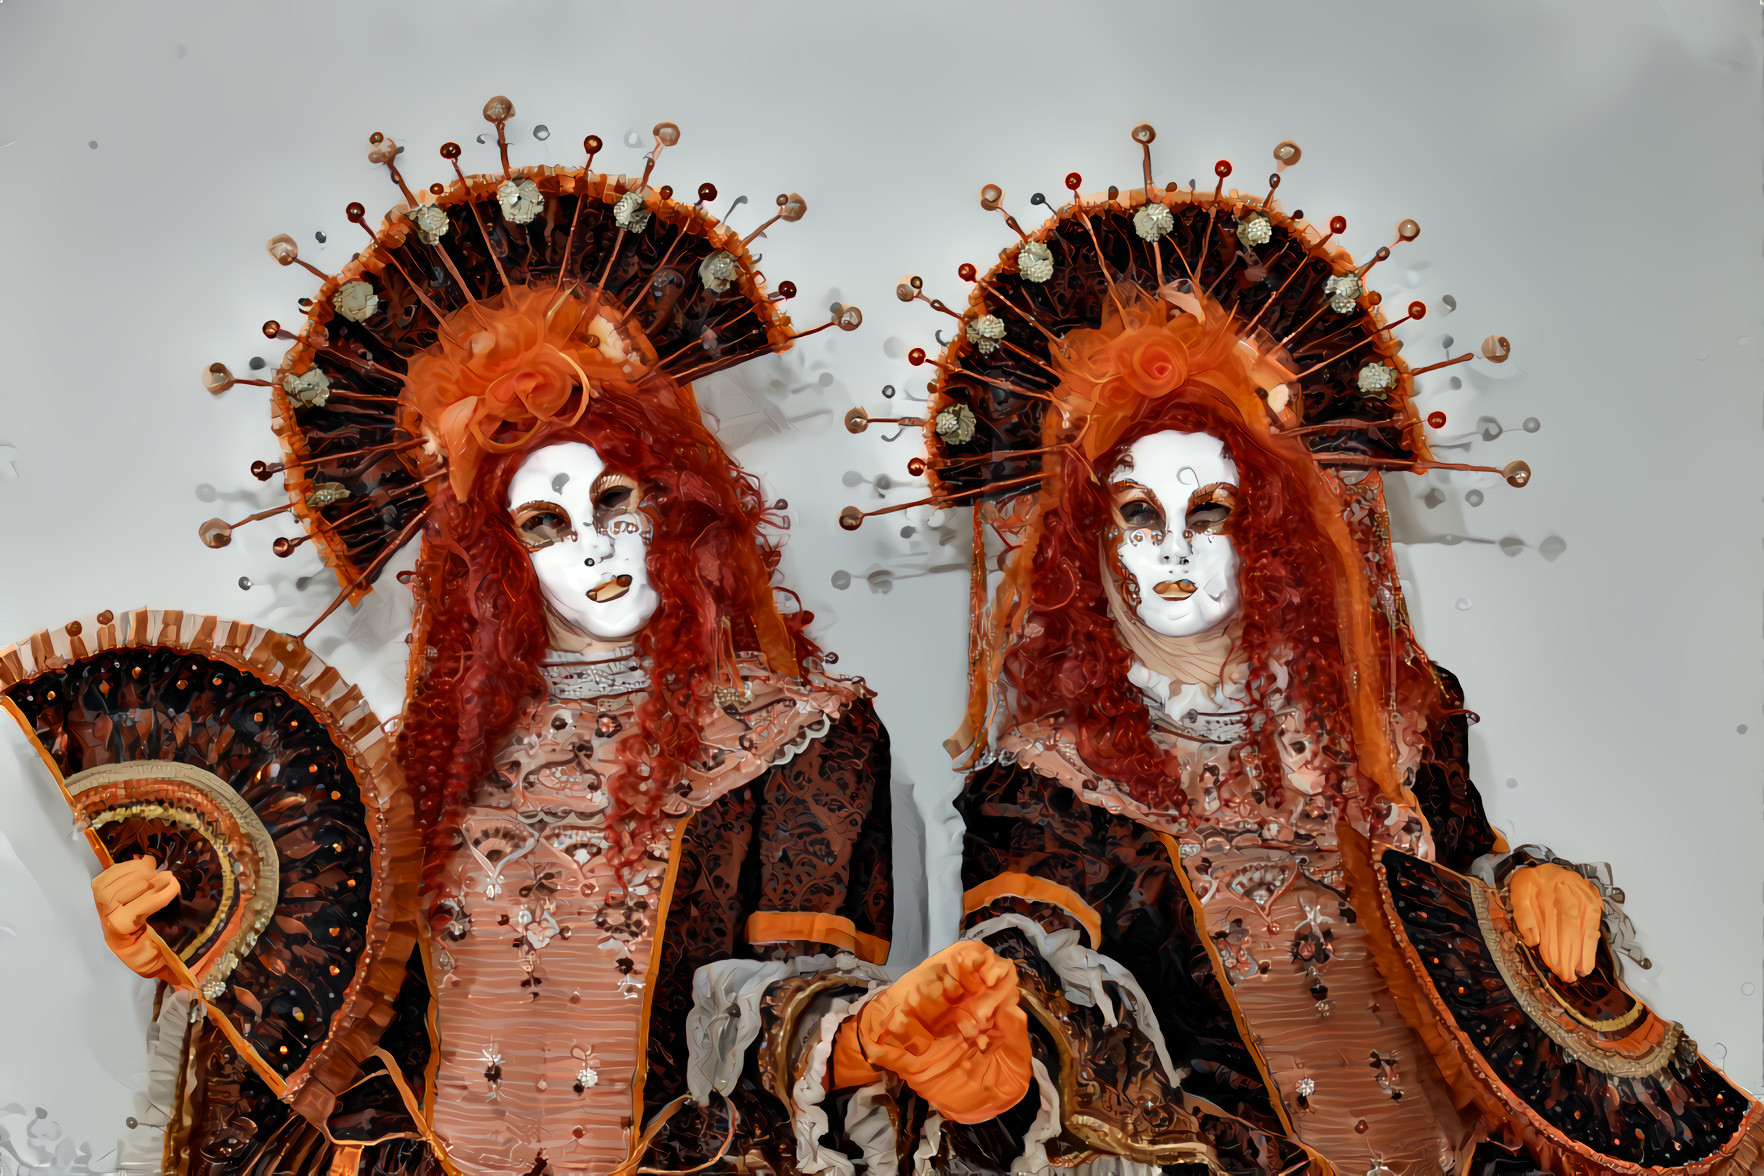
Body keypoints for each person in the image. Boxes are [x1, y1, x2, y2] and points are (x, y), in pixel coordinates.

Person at [21, 102, 1017, 1176]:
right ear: (494, 560)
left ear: (676, 504)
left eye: (615, 499)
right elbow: (337, 1028)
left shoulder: (802, 745)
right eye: (544, 522)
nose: (596, 545)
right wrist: (203, 943)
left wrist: (882, 1036)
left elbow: (785, 997)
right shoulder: (404, 770)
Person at [840, 127, 1763, 1174]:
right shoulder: (1049, 793)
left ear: (1270, 529)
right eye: (1141, 515)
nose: (1177, 550)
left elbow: (1465, 903)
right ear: (1089, 546)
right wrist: (1003, 1061)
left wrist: (1537, 889)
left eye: (1214, 511)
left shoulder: (1400, 723)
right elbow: (1032, 976)